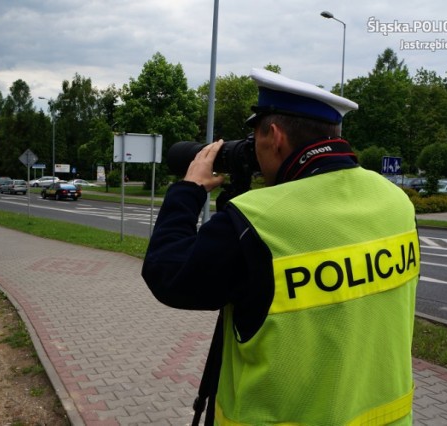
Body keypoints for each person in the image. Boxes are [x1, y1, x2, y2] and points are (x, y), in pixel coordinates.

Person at [142, 68, 420, 425]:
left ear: (273, 136)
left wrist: (188, 189)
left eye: (254, 137)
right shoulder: (396, 203)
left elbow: (167, 274)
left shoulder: (255, 222)